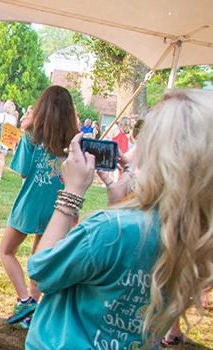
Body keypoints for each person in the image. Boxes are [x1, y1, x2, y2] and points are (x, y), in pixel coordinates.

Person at [26, 89, 213, 349]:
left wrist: (71, 194)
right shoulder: (192, 238)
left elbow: (42, 272)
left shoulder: (109, 231)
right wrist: (120, 206)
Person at [0, 86, 78, 329]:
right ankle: (33, 305)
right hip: (59, 208)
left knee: (6, 251)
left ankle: (25, 301)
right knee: (39, 257)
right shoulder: (73, 140)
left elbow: (22, 171)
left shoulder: (31, 134)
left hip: (31, 203)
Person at [0, 100, 19, 180]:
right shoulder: (13, 119)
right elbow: (14, 130)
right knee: (2, 158)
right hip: (6, 140)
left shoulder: (0, 115)